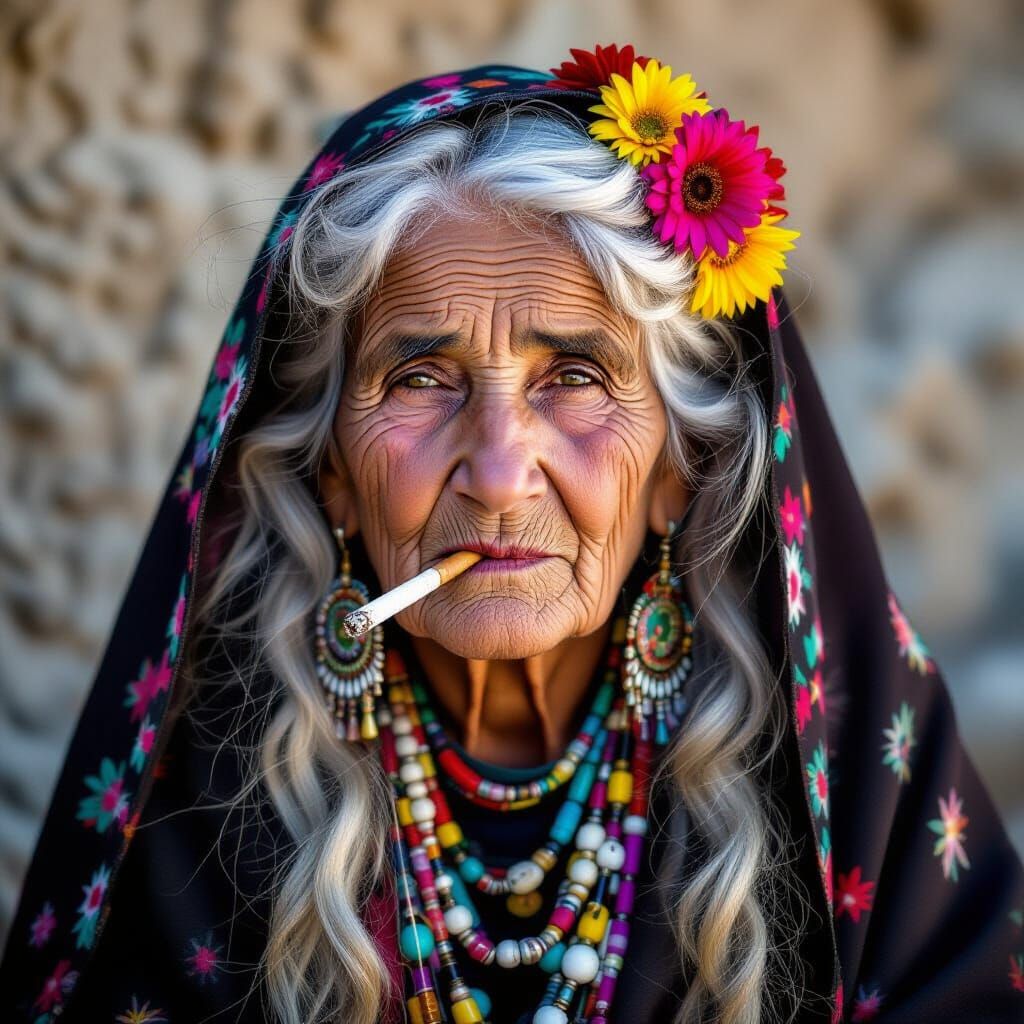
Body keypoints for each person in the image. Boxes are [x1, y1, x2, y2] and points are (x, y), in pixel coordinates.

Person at [0, 44, 1021, 1024]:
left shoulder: (828, 767)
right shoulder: (209, 795)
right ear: (332, 477)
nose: (496, 475)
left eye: (574, 377)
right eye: (419, 378)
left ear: (677, 470)